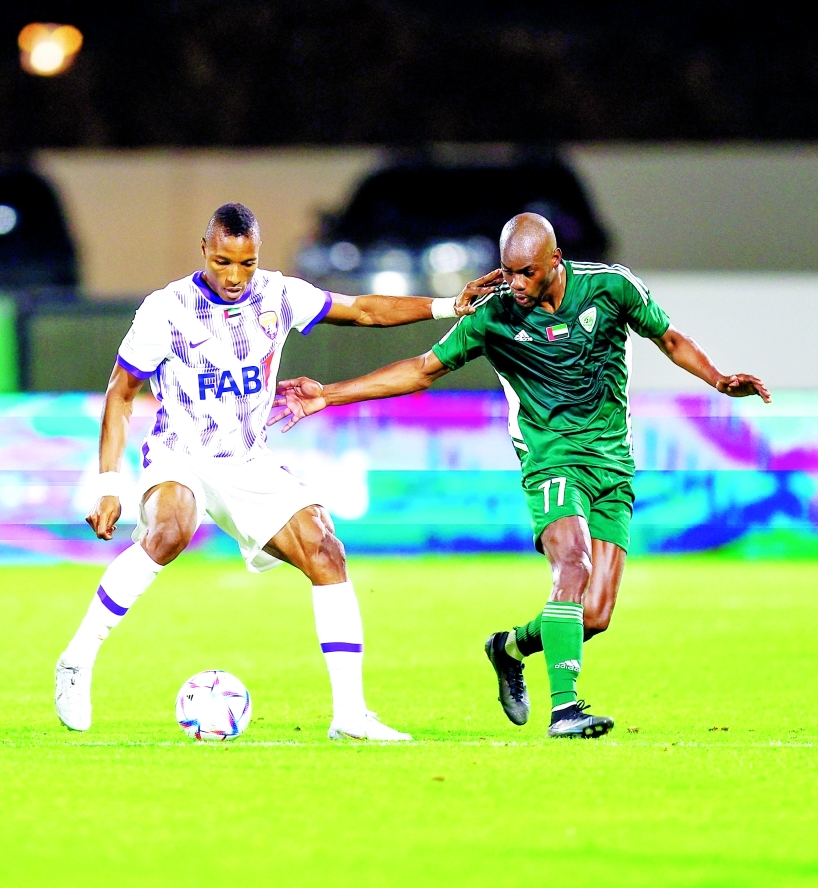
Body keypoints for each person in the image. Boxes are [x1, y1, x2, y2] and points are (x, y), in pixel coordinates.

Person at [271, 212, 771, 739]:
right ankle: (566, 710)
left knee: (594, 615)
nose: (515, 284)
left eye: (526, 273)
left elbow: (669, 339)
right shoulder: (494, 316)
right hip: (548, 457)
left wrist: (717, 379)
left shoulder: (610, 288)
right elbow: (421, 370)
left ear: (555, 261)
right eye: (508, 272)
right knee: (571, 562)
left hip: (611, 462)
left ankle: (507, 648)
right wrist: (328, 393)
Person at [54, 202, 494, 739]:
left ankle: (350, 716)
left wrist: (448, 305)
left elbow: (362, 311)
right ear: (204, 252)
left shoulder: (279, 294)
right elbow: (120, 394)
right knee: (170, 530)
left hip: (247, 460)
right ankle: (76, 661)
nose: (235, 276)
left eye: (246, 263)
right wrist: (108, 486)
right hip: (180, 454)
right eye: (223, 262)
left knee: (327, 551)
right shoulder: (165, 309)